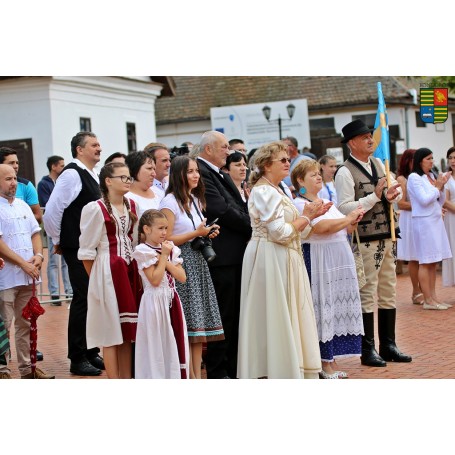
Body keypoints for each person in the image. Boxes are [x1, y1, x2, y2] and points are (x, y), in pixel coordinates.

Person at [237, 141, 330, 379]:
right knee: (275, 314)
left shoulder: (280, 189)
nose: (289, 163)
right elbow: (280, 233)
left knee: (290, 313)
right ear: (267, 165)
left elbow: (296, 231)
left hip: (287, 256)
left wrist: (311, 216)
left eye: (289, 159)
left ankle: (293, 366)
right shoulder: (264, 191)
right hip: (270, 257)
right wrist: (306, 216)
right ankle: (276, 370)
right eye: (283, 160)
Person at [335, 119, 412, 367]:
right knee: (367, 292)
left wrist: (394, 193)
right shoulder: (345, 172)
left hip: (388, 235)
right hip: (366, 239)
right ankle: (367, 349)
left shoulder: (380, 163)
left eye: (370, 135)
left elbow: (395, 193)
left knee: (389, 290)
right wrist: (374, 197)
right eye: (365, 137)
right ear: (352, 143)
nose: (370, 139)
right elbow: (344, 207)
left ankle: (388, 344)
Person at [292, 159, 364, 379]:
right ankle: (322, 363)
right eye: (312, 174)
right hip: (319, 259)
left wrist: (354, 220)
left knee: (334, 308)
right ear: (300, 181)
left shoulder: (326, 200)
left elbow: (344, 228)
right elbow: (320, 228)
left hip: (337, 261)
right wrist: (347, 220)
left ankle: (330, 360)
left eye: (318, 173)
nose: (318, 177)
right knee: (321, 308)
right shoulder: (299, 203)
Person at [43, 131, 105, 376]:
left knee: (93, 298)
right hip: (77, 246)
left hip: (92, 246)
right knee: (82, 298)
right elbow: (53, 211)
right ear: (80, 149)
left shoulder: (94, 173)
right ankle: (77, 356)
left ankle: (91, 350)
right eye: (94, 145)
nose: (99, 148)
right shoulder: (71, 173)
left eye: (99, 144)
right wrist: (58, 239)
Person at [159, 155, 224, 379]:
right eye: (190, 172)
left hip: (197, 261)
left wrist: (207, 233)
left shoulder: (195, 199)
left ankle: (197, 375)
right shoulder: (169, 202)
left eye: (196, 171)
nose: (196, 175)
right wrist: (196, 233)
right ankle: (188, 374)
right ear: (178, 174)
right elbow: (164, 239)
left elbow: (197, 230)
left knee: (199, 326)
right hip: (181, 262)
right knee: (187, 323)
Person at [197, 131, 252, 379]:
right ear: (208, 149)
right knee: (223, 315)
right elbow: (221, 209)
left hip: (235, 253)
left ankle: (233, 366)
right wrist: (251, 225)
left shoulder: (218, 172)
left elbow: (237, 205)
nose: (228, 151)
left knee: (235, 315)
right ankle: (218, 370)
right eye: (224, 147)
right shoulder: (202, 172)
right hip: (222, 255)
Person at [78, 162, 141, 378]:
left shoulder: (132, 205)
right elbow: (86, 251)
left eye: (128, 177)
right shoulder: (95, 208)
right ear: (108, 181)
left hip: (129, 271)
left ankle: (126, 378)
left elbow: (134, 241)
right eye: (122, 177)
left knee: (126, 333)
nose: (127, 181)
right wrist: (96, 281)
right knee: (111, 332)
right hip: (106, 272)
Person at [0, 164, 54, 379]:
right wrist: (23, 263)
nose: (13, 183)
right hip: (6, 278)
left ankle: (28, 369)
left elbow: (35, 233)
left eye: (14, 178)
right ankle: (2, 370)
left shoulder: (23, 205)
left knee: (26, 323)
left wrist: (39, 256)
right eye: (8, 179)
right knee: (4, 325)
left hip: (28, 275)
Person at [133, 209, 189, 379]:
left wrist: (164, 259)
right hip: (154, 303)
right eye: (160, 228)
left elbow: (182, 277)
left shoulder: (171, 249)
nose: (164, 232)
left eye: (166, 228)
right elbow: (155, 280)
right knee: (156, 346)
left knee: (173, 343)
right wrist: (163, 256)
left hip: (172, 300)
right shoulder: (143, 250)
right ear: (146, 229)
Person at [407, 147, 452, 309]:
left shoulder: (430, 177)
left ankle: (434, 298)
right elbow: (424, 200)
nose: (432, 161)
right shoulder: (414, 177)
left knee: (433, 261)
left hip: (435, 220)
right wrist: (437, 187)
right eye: (428, 159)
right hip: (424, 222)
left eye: (432, 158)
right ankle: (427, 299)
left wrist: (441, 186)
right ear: (420, 161)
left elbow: (438, 201)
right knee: (425, 261)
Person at [38, 155, 72, 306]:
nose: (64, 168)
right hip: (52, 226)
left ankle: (69, 291)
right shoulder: (43, 184)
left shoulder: (63, 182)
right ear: (53, 166)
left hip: (65, 225)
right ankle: (54, 293)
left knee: (66, 261)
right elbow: (48, 204)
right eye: (61, 165)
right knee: (53, 261)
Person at [396, 149, 423, 304]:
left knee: (423, 256)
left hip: (421, 218)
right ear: (408, 161)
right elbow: (401, 203)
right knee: (414, 257)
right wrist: (420, 205)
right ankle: (416, 291)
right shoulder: (402, 179)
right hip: (410, 219)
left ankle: (424, 288)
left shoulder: (421, 177)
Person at [0, 147, 42, 224]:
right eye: (11, 163)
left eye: (17, 162)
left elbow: (38, 216)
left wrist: (17, 220)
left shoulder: (26, 186)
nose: (16, 166)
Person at [125, 151, 162, 218]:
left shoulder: (159, 192)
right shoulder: (126, 198)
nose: (154, 174)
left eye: (154, 169)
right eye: (149, 168)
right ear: (135, 169)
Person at [443, 147, 455, 287]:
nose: (453, 161)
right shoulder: (446, 177)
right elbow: (444, 201)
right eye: (450, 158)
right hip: (452, 218)